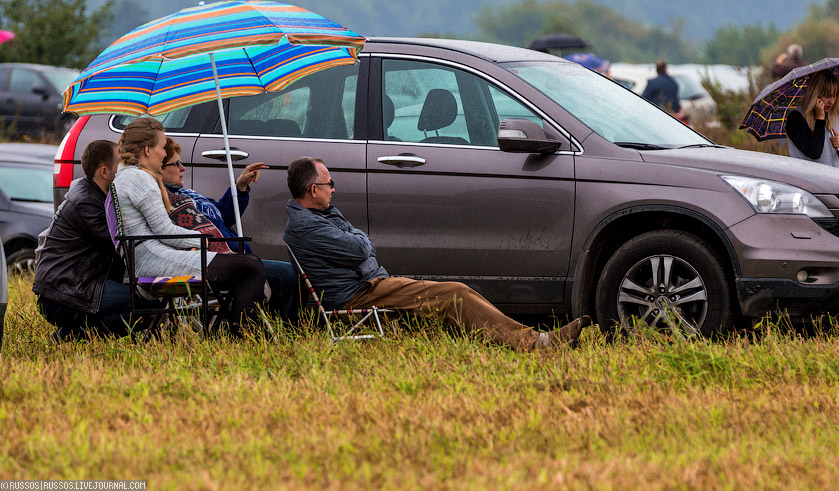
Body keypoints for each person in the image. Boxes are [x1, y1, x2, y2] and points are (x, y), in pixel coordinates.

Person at [283, 157, 591, 350]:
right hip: (361, 294)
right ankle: (536, 343)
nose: (333, 189)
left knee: (453, 299)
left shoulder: (320, 217)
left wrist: (357, 242)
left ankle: (522, 340)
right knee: (454, 293)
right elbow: (362, 246)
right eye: (329, 184)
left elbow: (359, 245)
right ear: (313, 190)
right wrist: (360, 243)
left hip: (371, 286)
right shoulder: (306, 226)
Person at [113, 117, 267, 334]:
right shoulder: (139, 180)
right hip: (155, 262)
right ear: (148, 150)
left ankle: (239, 331)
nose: (165, 153)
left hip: (151, 256)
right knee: (250, 266)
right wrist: (206, 242)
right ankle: (242, 335)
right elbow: (165, 231)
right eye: (161, 147)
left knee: (248, 263)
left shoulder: (128, 176)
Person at [159, 138, 298, 322]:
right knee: (283, 275)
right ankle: (272, 333)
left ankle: (273, 333)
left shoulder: (190, 195)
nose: (183, 168)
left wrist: (240, 187)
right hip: (217, 260)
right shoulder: (169, 200)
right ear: (159, 169)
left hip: (235, 255)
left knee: (286, 271)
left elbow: (223, 216)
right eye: (176, 164)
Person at [33, 140, 156, 340]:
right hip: (63, 294)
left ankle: (72, 334)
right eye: (121, 163)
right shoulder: (87, 202)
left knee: (145, 304)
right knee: (147, 303)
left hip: (82, 285)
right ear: (105, 172)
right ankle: (71, 335)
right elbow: (120, 243)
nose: (126, 168)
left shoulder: (100, 196)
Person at [785, 70, 839, 169]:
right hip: (809, 181)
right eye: (828, 96)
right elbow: (814, 152)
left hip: (836, 181)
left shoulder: (836, 115)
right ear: (815, 94)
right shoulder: (796, 118)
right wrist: (820, 119)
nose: (832, 101)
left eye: (835, 96)